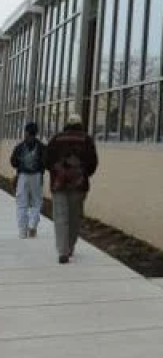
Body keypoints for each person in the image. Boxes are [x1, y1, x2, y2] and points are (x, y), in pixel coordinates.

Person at [44, 112, 99, 264]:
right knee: (75, 217)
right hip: (79, 185)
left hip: (58, 184)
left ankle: (62, 251)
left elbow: (47, 160)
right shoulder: (86, 140)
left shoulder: (55, 139)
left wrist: (56, 173)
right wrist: (84, 173)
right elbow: (93, 163)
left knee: (60, 217)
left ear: (66, 124)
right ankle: (70, 247)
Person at [10, 122, 46, 238]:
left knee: (22, 203)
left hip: (23, 177)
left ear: (26, 132)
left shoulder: (20, 147)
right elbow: (46, 161)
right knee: (36, 202)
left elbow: (13, 162)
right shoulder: (41, 147)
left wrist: (20, 165)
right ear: (36, 133)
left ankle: (22, 230)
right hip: (37, 176)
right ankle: (32, 226)